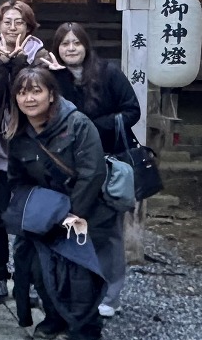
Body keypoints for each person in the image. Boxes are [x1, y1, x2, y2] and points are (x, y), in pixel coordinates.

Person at [6, 64, 113, 340]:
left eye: (36, 92)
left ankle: (86, 328)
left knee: (78, 272)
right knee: (40, 268)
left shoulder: (77, 124)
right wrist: (35, 211)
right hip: (46, 212)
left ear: (51, 94)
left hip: (82, 210)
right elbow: (16, 177)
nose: (28, 99)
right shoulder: (19, 133)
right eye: (21, 93)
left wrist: (74, 213)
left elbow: (93, 172)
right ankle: (54, 317)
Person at [0, 0, 55, 306]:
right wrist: (0, 63)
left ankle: (28, 277)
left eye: (19, 22)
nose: (12, 27)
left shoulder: (40, 56)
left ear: (29, 27)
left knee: (31, 215)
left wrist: (18, 63)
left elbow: (31, 94)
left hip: (30, 148)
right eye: (7, 22)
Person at [50, 22, 141, 318]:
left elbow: (132, 110)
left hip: (108, 159)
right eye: (65, 44)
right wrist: (60, 78)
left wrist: (96, 128)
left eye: (76, 43)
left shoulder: (108, 72)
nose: (71, 48)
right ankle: (72, 290)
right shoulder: (55, 77)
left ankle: (111, 295)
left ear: (86, 46)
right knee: (71, 226)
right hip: (70, 164)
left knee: (108, 231)